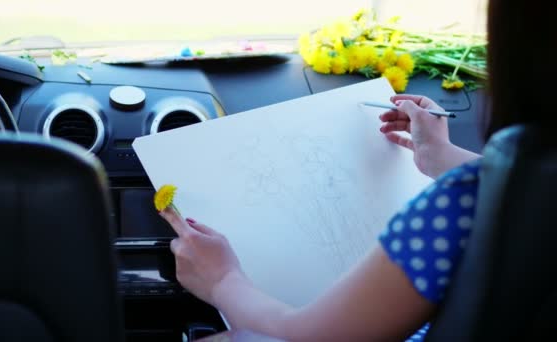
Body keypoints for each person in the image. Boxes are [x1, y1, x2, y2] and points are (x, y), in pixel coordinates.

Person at [158, 0, 544, 340]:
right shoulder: (513, 190)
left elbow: (309, 335)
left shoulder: (458, 203)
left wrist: (223, 280)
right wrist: (441, 156)